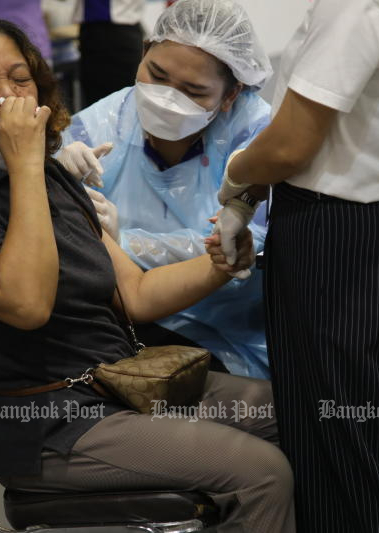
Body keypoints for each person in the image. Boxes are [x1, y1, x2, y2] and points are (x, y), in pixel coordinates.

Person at [0, 16, 294, 533]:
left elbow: (137, 294)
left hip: (117, 384)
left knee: (302, 414)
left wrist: (223, 261)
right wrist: (25, 170)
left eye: (19, 78)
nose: (6, 96)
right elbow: (28, 303)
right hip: (48, 420)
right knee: (262, 473)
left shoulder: (53, 177)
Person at [215, 1, 379, 531]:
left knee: (358, 480)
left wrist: (235, 176)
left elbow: (291, 145)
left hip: (340, 246)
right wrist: (252, 197)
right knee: (357, 467)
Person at [58, 0, 273, 378]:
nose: (167, 98)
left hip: (237, 332)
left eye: (194, 91)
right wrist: (53, 170)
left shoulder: (253, 134)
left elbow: (251, 239)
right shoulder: (103, 124)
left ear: (231, 95)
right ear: (143, 52)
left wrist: (125, 242)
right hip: (131, 332)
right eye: (156, 75)